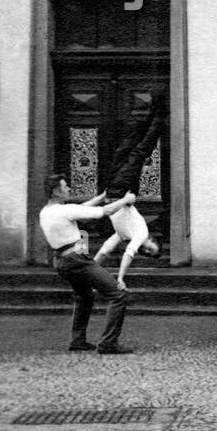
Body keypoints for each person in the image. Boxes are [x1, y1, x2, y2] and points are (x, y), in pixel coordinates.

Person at [39, 175, 138, 354]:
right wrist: (125, 200)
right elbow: (105, 212)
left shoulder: (46, 211)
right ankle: (108, 343)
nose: (69, 188)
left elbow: (79, 210)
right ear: (55, 191)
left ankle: (78, 341)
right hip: (76, 260)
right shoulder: (64, 210)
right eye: (65, 186)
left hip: (62, 261)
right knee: (118, 295)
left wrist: (100, 197)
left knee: (84, 296)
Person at [94, 103, 164, 291]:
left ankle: (149, 116)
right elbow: (127, 256)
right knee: (140, 152)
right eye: (150, 248)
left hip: (111, 189)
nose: (145, 250)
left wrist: (89, 272)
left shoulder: (123, 234)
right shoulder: (140, 233)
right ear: (151, 239)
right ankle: (160, 114)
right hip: (121, 188)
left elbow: (104, 251)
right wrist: (121, 279)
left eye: (147, 253)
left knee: (125, 149)